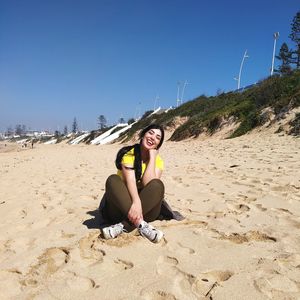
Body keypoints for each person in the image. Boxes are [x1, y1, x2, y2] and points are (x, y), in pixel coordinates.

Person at [100, 124, 166, 243]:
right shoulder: (129, 154)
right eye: (150, 133)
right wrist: (136, 202)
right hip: (121, 208)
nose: (153, 138)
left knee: (157, 185)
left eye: (157, 137)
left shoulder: (158, 161)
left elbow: (149, 183)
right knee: (113, 179)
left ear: (158, 144)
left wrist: (152, 159)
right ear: (143, 134)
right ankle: (141, 224)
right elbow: (130, 182)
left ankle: (123, 226)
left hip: (147, 209)